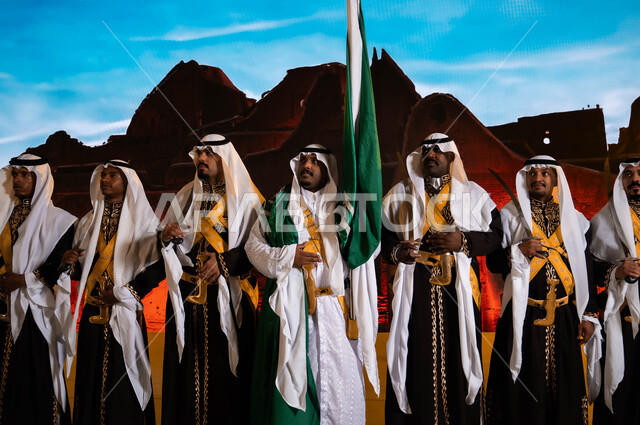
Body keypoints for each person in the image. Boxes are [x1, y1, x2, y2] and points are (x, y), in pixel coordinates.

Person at [246, 145, 379, 425]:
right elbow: (252, 247)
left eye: (314, 161)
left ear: (327, 167)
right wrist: (286, 256)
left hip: (335, 310)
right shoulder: (277, 203)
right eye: (303, 160)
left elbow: (368, 249)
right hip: (293, 311)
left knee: (340, 385)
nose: (306, 165)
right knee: (298, 382)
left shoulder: (347, 205)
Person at [383, 133, 503, 425]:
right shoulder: (400, 194)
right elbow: (381, 242)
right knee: (416, 355)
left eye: (438, 150)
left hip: (459, 287)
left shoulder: (474, 194)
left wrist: (462, 240)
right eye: (426, 151)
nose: (431, 155)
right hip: (415, 286)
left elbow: (497, 238)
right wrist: (398, 251)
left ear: (452, 157)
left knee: (460, 355)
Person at [485, 155, 600, 425]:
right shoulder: (509, 216)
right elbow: (492, 262)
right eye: (533, 173)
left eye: (545, 173)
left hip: (565, 317)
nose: (538, 177)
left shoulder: (577, 220)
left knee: (565, 388)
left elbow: (586, 269)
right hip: (521, 316)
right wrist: (519, 251)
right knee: (521, 388)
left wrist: (590, 313)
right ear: (525, 178)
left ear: (555, 179)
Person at [160, 134, 263, 425]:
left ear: (224, 158)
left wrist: (224, 263)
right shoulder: (184, 195)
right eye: (199, 153)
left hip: (230, 300)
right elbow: (175, 244)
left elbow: (260, 247)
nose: (201, 159)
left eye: (209, 154)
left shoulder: (248, 197)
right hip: (189, 300)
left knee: (229, 380)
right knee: (187, 376)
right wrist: (166, 237)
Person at [60, 160, 164, 425]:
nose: (105, 179)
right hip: (94, 310)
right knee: (90, 380)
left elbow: (161, 267)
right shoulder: (86, 222)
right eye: (103, 175)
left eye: (113, 175)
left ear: (127, 180)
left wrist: (128, 292)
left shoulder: (145, 221)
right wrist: (69, 264)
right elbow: (80, 267)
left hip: (125, 310)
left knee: (126, 382)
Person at [0, 154, 75, 425]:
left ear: (39, 178)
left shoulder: (61, 221)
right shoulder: (3, 215)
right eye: (15, 174)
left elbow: (61, 264)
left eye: (25, 174)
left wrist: (24, 280)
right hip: (2, 306)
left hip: (36, 311)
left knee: (35, 376)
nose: (18, 179)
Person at [590, 157, 640, 423]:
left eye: (639, 173)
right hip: (624, 313)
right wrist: (616, 272)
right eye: (628, 174)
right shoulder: (604, 219)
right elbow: (591, 269)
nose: (635, 179)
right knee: (625, 383)